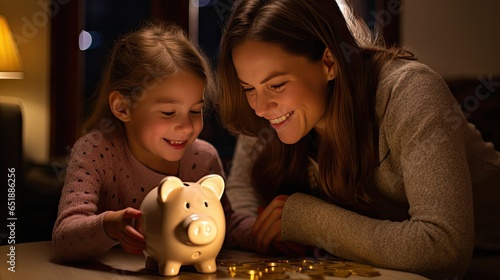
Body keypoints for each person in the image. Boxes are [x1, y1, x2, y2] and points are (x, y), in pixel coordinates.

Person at [217, 0, 500, 279]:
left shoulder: (409, 92)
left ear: (329, 62)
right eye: (248, 88)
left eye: (276, 85)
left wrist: (308, 221)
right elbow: (242, 191)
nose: (261, 107)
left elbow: (444, 249)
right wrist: (260, 234)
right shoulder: (270, 110)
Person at [52, 21, 228, 261]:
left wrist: (270, 232)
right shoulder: (95, 152)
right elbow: (64, 238)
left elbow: (230, 227)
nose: (187, 127)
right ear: (123, 108)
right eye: (168, 113)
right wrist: (109, 226)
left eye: (196, 111)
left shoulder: (203, 159)